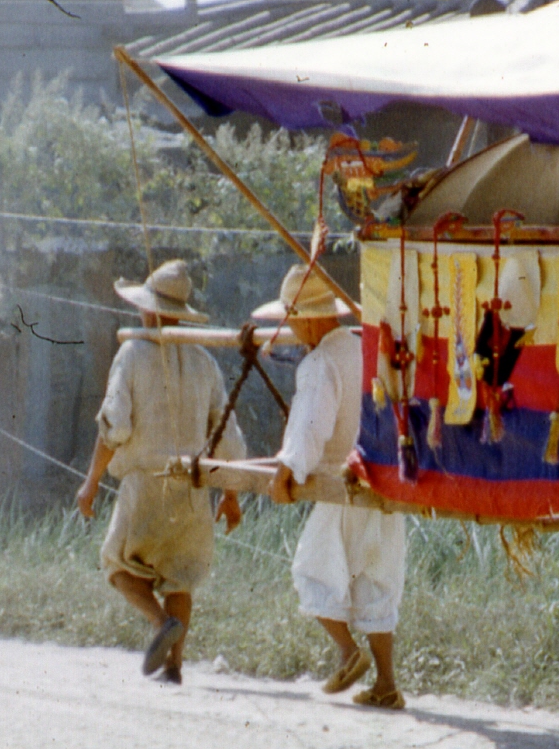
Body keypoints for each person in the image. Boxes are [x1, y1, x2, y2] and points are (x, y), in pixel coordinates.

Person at [245, 262, 409, 711]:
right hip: (383, 484)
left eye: (292, 321)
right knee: (375, 579)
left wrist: (287, 470)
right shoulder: (363, 349)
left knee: (312, 569)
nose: (292, 331)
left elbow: (310, 426)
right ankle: (386, 683)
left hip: (341, 485)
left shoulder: (320, 364)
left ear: (308, 319)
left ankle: (347, 651)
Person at [79, 258, 245, 684]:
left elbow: (114, 427)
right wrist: (230, 495)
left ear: (148, 309)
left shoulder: (132, 354)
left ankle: (160, 623)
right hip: (192, 487)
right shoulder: (204, 361)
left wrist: (91, 483)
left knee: (117, 565)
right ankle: (174, 666)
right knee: (180, 579)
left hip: (146, 483)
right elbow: (228, 437)